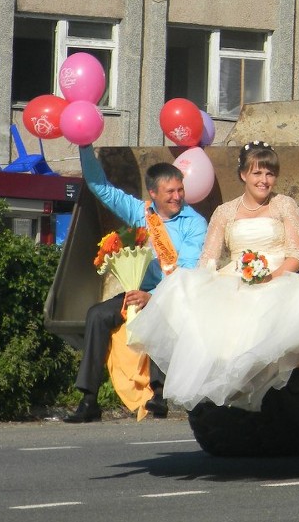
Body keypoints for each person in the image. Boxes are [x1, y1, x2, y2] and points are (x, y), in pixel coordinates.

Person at [127, 142, 299, 412]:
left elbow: (295, 254)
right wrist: (204, 283)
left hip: (279, 277)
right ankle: (225, 386)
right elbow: (208, 259)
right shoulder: (225, 211)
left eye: (269, 174)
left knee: (269, 316)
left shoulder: (284, 205)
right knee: (189, 291)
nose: (264, 180)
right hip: (237, 276)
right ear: (243, 174)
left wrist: (273, 277)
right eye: (257, 173)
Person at [64, 145, 208, 423]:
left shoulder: (195, 223)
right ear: (153, 194)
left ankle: (159, 395)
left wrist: (151, 296)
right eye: (170, 192)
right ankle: (89, 399)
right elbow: (101, 188)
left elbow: (186, 272)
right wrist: (84, 146)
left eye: (180, 190)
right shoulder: (142, 213)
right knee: (97, 314)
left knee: (159, 313)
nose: (177, 197)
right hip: (138, 294)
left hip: (173, 295)